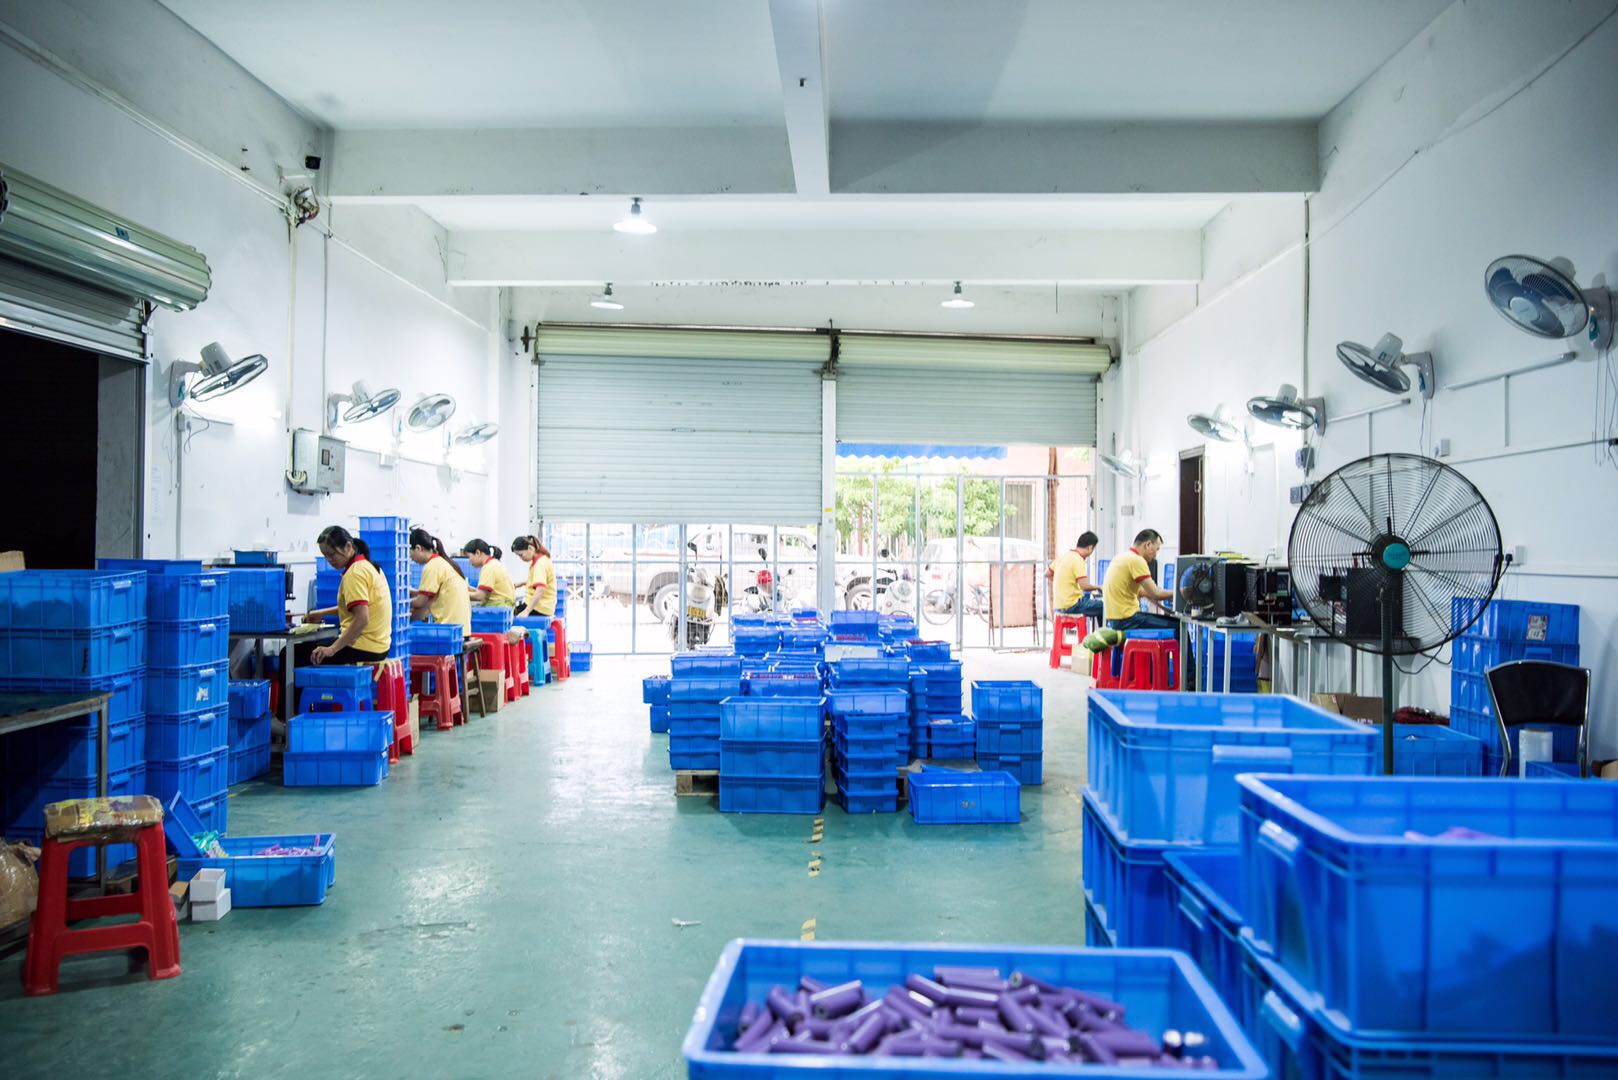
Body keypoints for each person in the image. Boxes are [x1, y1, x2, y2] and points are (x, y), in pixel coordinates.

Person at [299, 525, 392, 665]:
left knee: (291, 654)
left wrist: (332, 649)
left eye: (332, 554)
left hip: (362, 647)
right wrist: (320, 613)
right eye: (325, 556)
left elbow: (362, 618)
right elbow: (354, 607)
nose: (329, 560)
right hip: (380, 646)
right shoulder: (369, 566)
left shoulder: (355, 573)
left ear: (348, 547)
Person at [1102, 528, 1178, 631]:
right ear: (1148, 545)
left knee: (1169, 620)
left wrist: (1167, 610)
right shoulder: (1137, 560)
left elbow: (1144, 592)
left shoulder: (1122, 557)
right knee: (1179, 627)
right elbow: (1156, 594)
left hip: (1115, 619)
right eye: (1157, 549)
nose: (1155, 555)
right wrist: (1178, 593)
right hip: (1127, 620)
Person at [408, 526, 471, 633]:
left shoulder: (432, 566)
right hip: (462, 630)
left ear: (418, 548)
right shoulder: (443, 562)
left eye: (411, 554)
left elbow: (420, 602)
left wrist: (400, 604)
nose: (412, 559)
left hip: (449, 630)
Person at [1048, 530, 1104, 619]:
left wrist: (1063, 582)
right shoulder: (1078, 559)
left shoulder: (1064, 556)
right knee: (1105, 606)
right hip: (1073, 605)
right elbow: (1084, 586)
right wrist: (1099, 587)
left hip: (1059, 605)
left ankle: (1101, 628)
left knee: (1097, 605)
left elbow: (1048, 574)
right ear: (1090, 548)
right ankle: (1104, 628)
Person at [511, 534, 557, 618]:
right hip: (543, 606)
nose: (521, 558)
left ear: (530, 548)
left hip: (539, 608)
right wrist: (521, 583)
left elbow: (540, 589)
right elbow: (539, 581)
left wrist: (526, 611)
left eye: (521, 555)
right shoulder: (541, 560)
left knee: (509, 617)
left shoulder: (540, 564)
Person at [463, 538, 517, 607]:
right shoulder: (494, 563)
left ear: (477, 553)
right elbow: (489, 593)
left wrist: (460, 593)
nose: (469, 561)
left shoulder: (488, 568)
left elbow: (479, 596)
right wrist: (470, 589)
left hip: (497, 608)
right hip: (504, 607)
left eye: (469, 557)